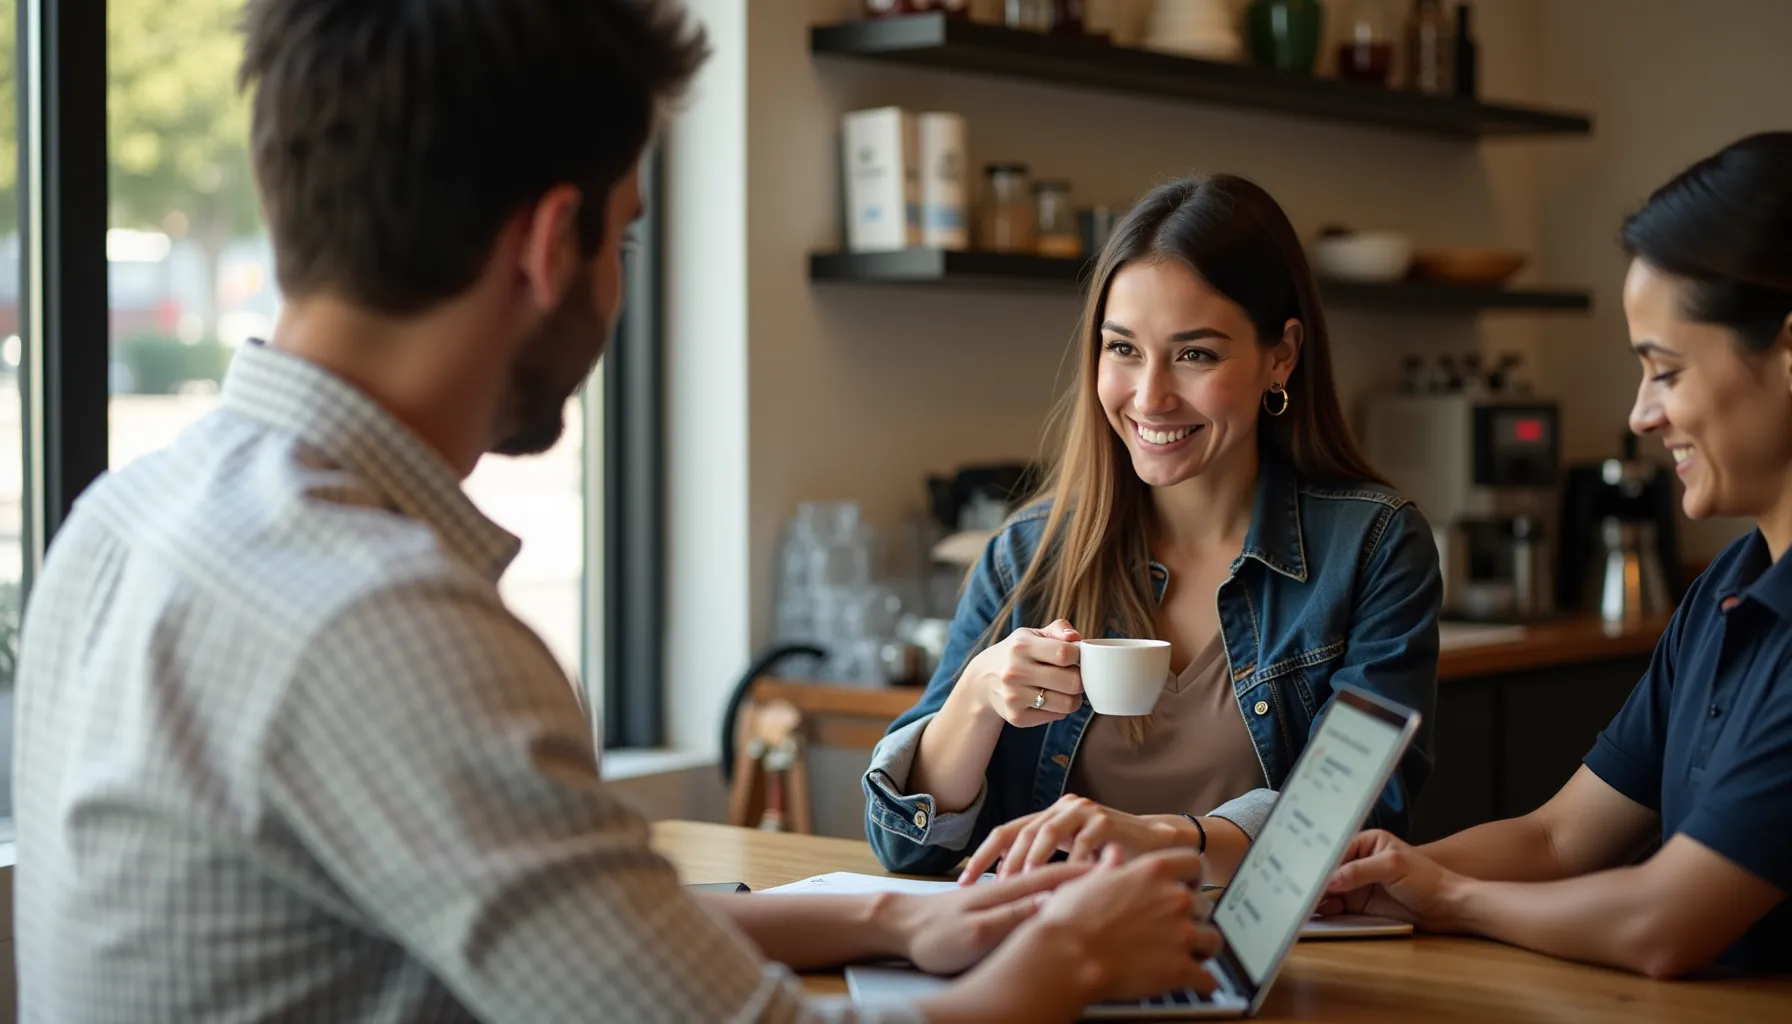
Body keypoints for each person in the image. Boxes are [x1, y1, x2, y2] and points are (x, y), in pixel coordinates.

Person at [10, 2, 1227, 1021]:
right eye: (627, 236)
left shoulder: (119, 520)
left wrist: (904, 910)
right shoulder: (388, 624)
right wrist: (1062, 961)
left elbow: (586, 929)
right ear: (552, 241)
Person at [863, 175, 1442, 884]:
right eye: (1123, 349)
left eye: (1195, 353)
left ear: (1281, 356)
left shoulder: (1373, 548)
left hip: (1271, 967)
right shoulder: (1028, 555)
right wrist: (977, 695)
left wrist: (1164, 839)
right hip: (1044, 959)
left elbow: (1361, 815)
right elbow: (905, 845)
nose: (1150, 396)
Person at [1321, 132, 1792, 979]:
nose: (1642, 413)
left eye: (1667, 371)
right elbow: (1561, 836)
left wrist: (1449, 897)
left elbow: (1662, 923)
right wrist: (1371, 876)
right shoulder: (1730, 585)